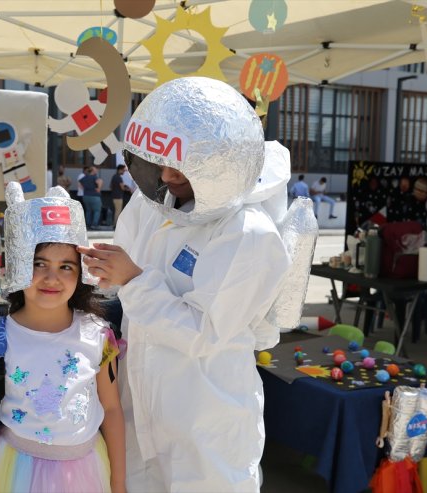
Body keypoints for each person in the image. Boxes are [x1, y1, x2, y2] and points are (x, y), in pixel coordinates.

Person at [79, 77, 292, 492]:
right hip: (141, 403)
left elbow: (203, 333)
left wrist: (135, 281)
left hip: (205, 419)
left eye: (183, 164)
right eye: (159, 160)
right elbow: (115, 272)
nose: (167, 173)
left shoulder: (248, 234)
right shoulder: (152, 205)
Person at [0, 183, 125, 493]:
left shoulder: (97, 335)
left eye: (65, 266)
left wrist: (119, 484)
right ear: (17, 264)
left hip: (86, 475)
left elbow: (110, 411)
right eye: (38, 263)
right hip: (15, 474)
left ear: (79, 272)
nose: (51, 278)